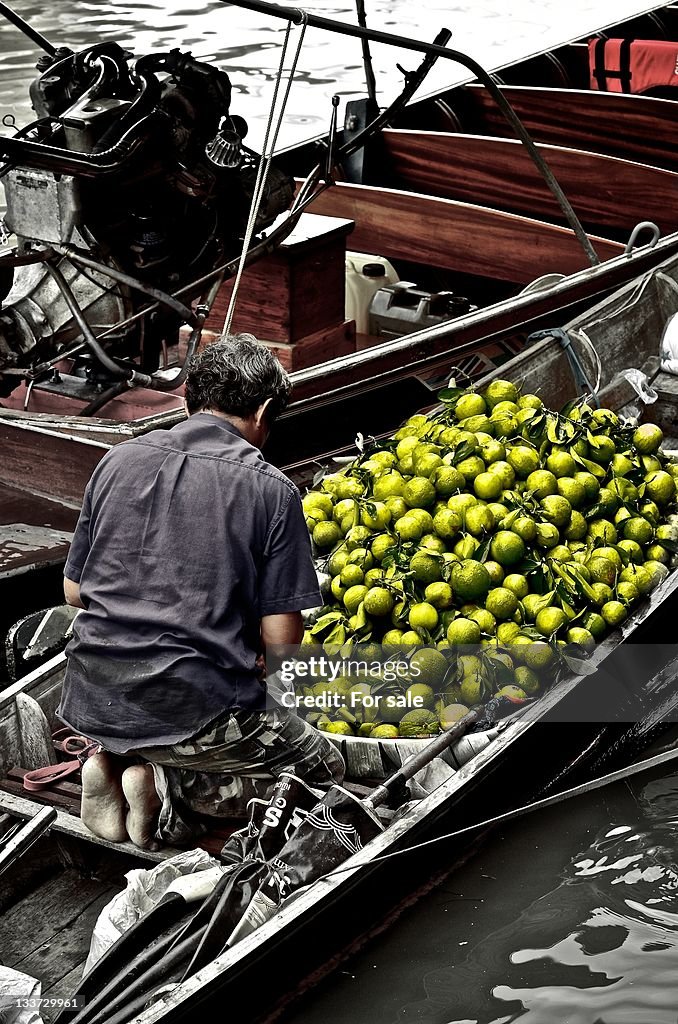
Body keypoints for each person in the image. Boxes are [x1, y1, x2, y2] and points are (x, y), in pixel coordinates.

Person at [59, 333, 344, 850]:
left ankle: (112, 760)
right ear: (262, 411)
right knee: (321, 770)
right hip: (191, 706)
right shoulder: (273, 490)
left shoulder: (117, 459)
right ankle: (171, 799)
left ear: (190, 395)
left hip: (89, 697)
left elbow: (75, 591)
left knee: (166, 720)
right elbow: (282, 641)